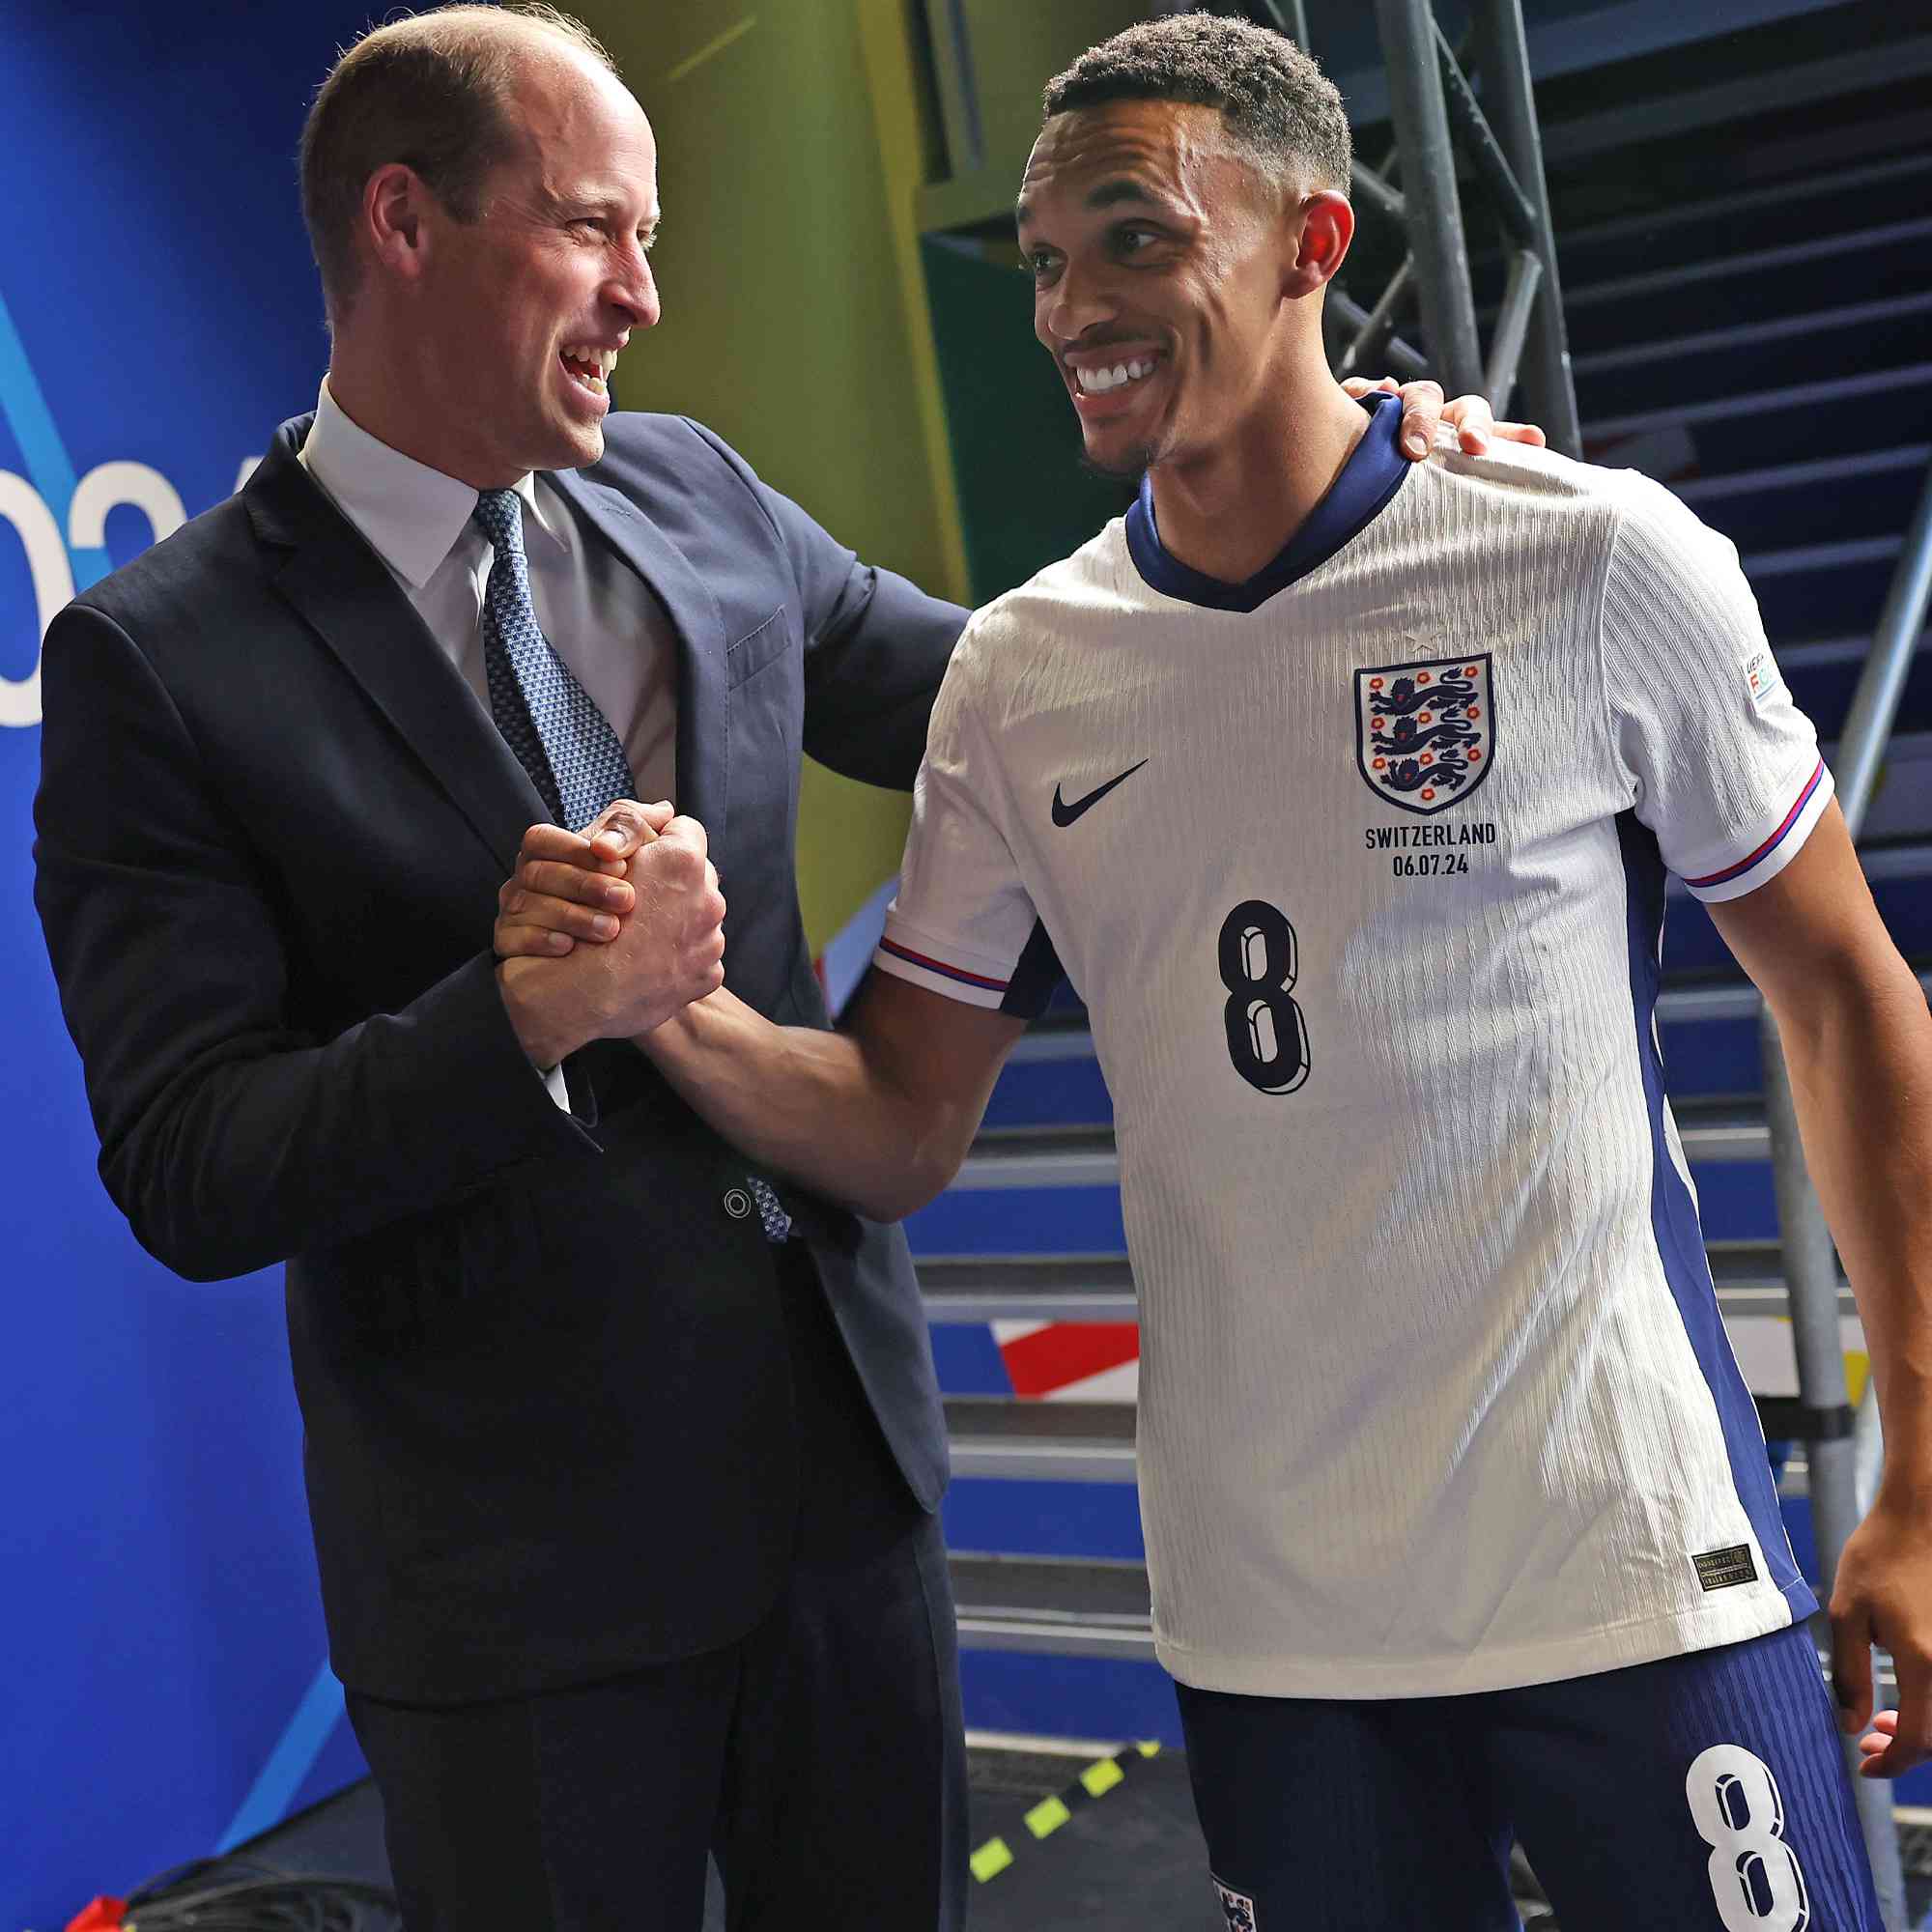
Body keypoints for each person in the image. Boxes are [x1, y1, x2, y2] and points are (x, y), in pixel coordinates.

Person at [29, 6, 1499, 1927]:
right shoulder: (158, 655)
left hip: (842, 1513)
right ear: (402, 222)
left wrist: (1342, 507)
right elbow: (191, 1163)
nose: (644, 291)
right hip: (517, 1598)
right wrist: (527, 1013)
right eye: (593, 230)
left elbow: (1033, 704)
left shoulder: (700, 492)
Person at [500, 14, 1932, 1931]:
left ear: (1312, 245)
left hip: (1630, 1573)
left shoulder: (1592, 562)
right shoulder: (1018, 677)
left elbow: (1843, 992)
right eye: (1043, 262)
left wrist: (1917, 1479)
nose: (1070, 305)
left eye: (1134, 239)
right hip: (1279, 1642)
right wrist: (659, 999)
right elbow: (905, 1117)